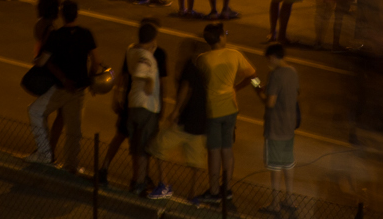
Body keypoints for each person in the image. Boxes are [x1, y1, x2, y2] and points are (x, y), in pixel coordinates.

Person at [186, 20, 256, 204]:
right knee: (227, 149)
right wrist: (241, 88)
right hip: (231, 109)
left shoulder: (202, 59)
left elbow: (196, 86)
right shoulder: (235, 54)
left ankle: (214, 190)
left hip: (212, 110)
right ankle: (227, 188)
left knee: (214, 151)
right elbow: (253, 77)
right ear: (221, 37)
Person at [41, 0, 100, 174]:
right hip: (79, 89)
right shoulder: (86, 34)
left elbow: (47, 62)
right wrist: (89, 79)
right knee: (75, 131)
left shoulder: (56, 35)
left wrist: (63, 78)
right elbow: (96, 62)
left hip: (60, 88)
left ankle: (46, 152)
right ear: (77, 14)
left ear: (62, 15)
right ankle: (71, 166)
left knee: (39, 113)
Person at [123, 18, 171, 198]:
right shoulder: (147, 58)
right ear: (153, 39)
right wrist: (151, 81)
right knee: (144, 147)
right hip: (147, 106)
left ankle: (136, 179)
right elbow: (140, 71)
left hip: (133, 104)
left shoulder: (131, 51)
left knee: (135, 146)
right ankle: (140, 183)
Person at [261, 40, 300, 208]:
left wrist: (258, 91)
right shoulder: (293, 71)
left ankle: (275, 203)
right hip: (289, 127)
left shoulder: (275, 75)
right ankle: (289, 198)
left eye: (268, 59)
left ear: (272, 57)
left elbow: (270, 103)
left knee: (275, 167)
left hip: (275, 128)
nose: (268, 63)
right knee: (288, 164)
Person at [27, 0, 63, 165]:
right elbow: (50, 53)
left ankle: (45, 149)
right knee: (57, 113)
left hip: (41, 72)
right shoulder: (53, 30)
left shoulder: (38, 25)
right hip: (52, 76)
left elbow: (38, 48)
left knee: (43, 112)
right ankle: (49, 151)